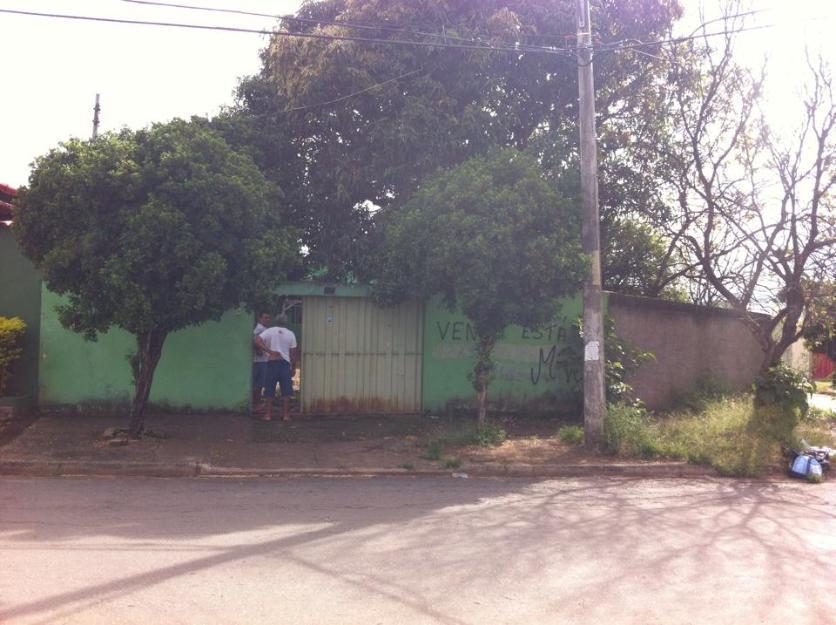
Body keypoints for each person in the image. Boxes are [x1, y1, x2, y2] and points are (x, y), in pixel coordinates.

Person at [255, 314, 298, 422]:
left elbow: (257, 340)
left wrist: (269, 351)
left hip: (272, 363)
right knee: (286, 391)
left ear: (276, 321)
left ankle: (268, 415)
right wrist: (293, 367)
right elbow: (293, 353)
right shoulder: (290, 334)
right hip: (285, 364)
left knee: (269, 389)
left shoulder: (270, 331)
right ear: (286, 322)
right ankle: (285, 415)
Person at [252, 312, 271, 411]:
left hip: (262, 360)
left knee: (259, 383)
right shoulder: (259, 329)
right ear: (260, 318)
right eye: (265, 317)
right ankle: (256, 404)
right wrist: (259, 350)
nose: (267, 320)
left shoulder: (263, 329)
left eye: (268, 318)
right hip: (260, 361)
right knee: (258, 384)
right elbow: (254, 341)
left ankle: (256, 403)